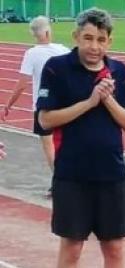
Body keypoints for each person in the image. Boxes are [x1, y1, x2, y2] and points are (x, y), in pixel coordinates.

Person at [37, 8, 125, 268]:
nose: (94, 46)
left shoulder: (120, 72)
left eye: (100, 40)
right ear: (76, 38)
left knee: (114, 247)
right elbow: (47, 119)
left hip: (111, 172)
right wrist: (90, 100)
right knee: (72, 248)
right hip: (72, 174)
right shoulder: (58, 69)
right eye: (88, 38)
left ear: (109, 41)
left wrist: (108, 98)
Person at [0, 16, 70, 184]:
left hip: (43, 106)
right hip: (66, 104)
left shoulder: (31, 54)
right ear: (47, 31)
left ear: (34, 34)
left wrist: (8, 105)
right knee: (67, 143)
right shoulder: (64, 50)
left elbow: (22, 84)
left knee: (49, 146)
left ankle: (60, 182)